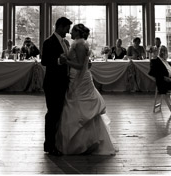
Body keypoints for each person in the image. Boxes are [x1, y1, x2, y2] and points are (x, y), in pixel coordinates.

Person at [55, 23, 116, 155]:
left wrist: (66, 61)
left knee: (79, 105)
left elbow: (80, 65)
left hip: (79, 79)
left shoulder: (80, 44)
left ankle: (84, 143)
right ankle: (84, 141)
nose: (70, 31)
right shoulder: (78, 42)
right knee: (75, 105)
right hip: (77, 77)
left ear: (78, 32)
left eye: (73, 30)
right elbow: (85, 63)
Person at [42, 17, 72, 155]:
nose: (68, 31)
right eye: (67, 28)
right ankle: (49, 145)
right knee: (52, 114)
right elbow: (44, 61)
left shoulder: (64, 42)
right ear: (60, 27)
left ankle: (56, 143)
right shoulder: (49, 42)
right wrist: (59, 60)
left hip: (62, 83)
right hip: (53, 83)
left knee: (58, 114)